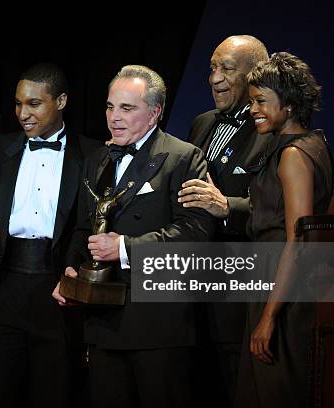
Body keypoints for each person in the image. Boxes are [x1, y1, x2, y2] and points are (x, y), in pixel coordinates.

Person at [53, 65, 216, 407]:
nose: (115, 117)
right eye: (111, 107)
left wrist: (124, 248)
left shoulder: (183, 157)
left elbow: (195, 231)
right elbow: (84, 228)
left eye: (127, 108)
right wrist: (71, 270)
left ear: (155, 112)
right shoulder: (97, 159)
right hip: (103, 319)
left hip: (157, 323)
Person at [0, 63, 100, 407]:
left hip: (56, 291)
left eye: (34, 104)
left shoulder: (91, 154)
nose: (22, 113)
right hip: (2, 289)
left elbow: (90, 224)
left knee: (53, 393)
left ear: (60, 101)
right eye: (17, 104)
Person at [234, 52, 334, 408]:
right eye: (251, 102)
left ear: (290, 104)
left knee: (273, 390)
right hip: (290, 282)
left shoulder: (293, 155)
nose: (253, 110)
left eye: (262, 101)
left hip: (281, 286)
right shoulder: (317, 144)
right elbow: (331, 218)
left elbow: (299, 239)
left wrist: (268, 317)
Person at [176, 35, 270, 406]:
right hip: (191, 270)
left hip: (238, 273)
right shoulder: (201, 123)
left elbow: (276, 209)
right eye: (212, 68)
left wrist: (227, 205)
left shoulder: (269, 130)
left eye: (227, 69)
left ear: (254, 74)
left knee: (233, 377)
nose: (215, 78)